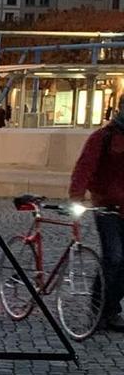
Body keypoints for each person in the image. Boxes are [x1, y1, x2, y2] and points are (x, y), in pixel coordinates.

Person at [69, 111, 124, 330]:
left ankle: (110, 308)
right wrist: (76, 196)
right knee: (114, 257)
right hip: (107, 207)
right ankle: (100, 307)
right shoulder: (104, 137)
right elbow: (85, 166)